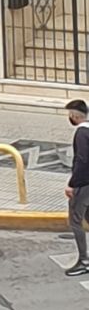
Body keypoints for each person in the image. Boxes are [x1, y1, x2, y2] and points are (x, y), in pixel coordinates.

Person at [64, 100, 89, 276]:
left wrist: (72, 184)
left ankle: (84, 261)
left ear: (75, 115)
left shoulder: (81, 134)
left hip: (84, 184)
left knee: (75, 220)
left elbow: (82, 160)